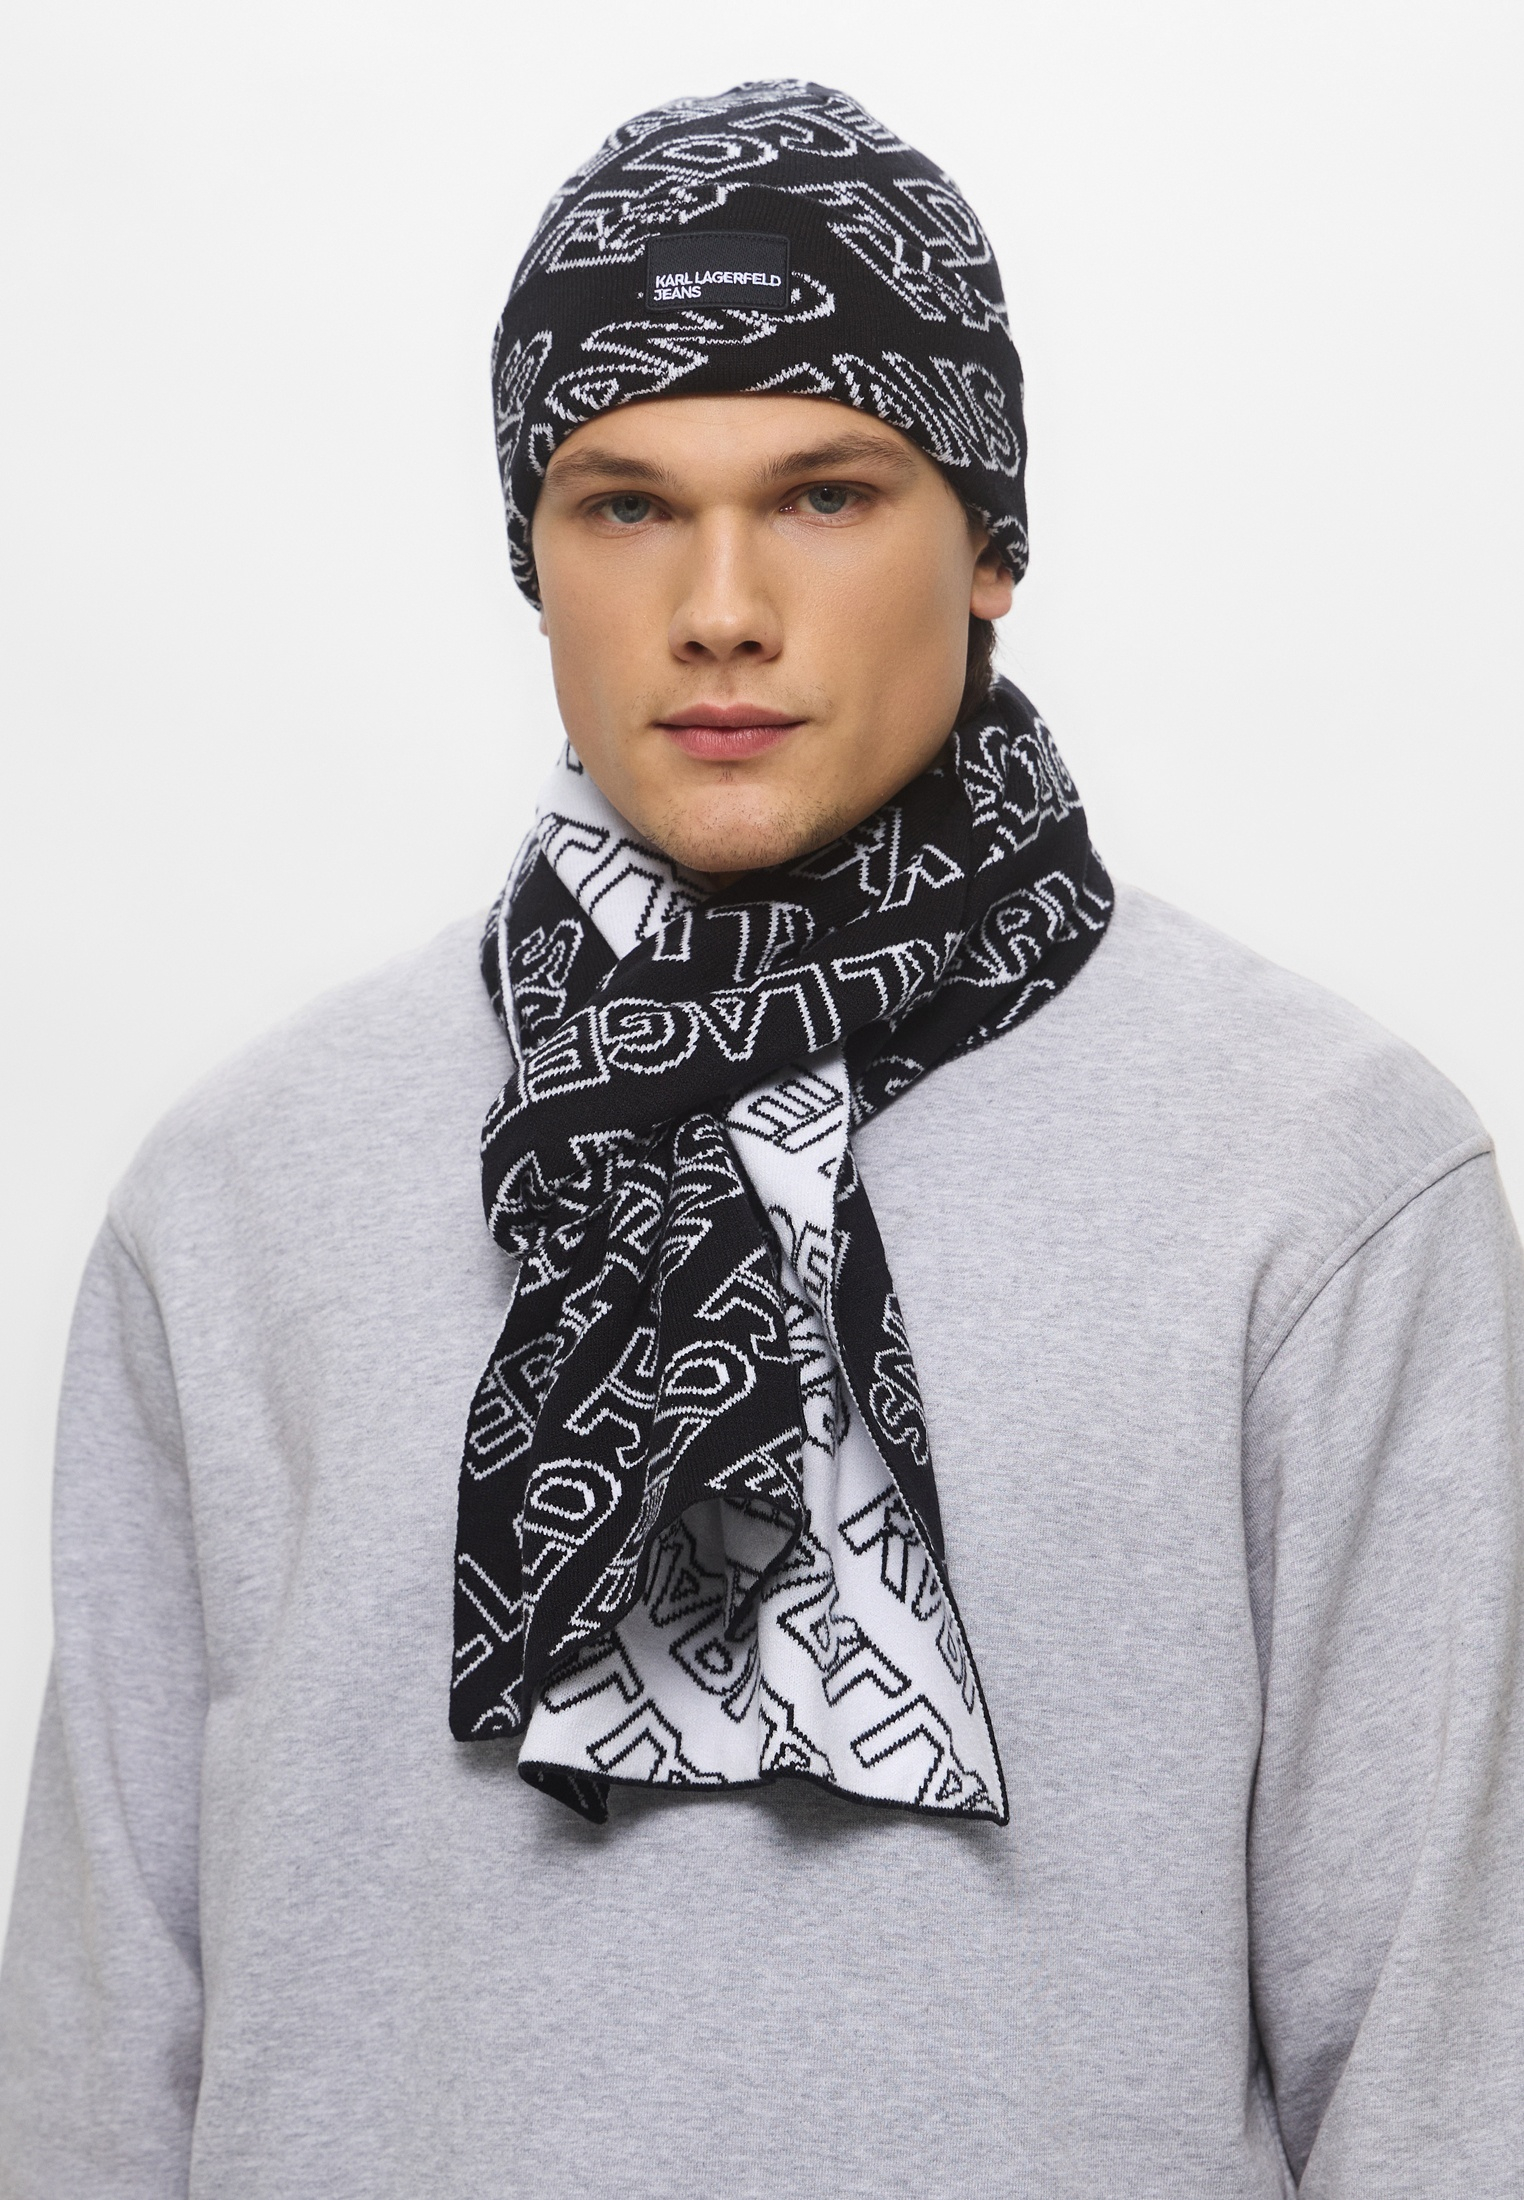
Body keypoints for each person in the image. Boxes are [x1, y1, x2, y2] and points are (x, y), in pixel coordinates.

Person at [1, 76, 1519, 2200]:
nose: (720, 604)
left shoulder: (1321, 1178)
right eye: (625, 503)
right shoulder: (242, 1197)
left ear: (989, 542)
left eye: (823, 492)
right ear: (530, 552)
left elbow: (1445, 2071)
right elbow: (95, 2063)